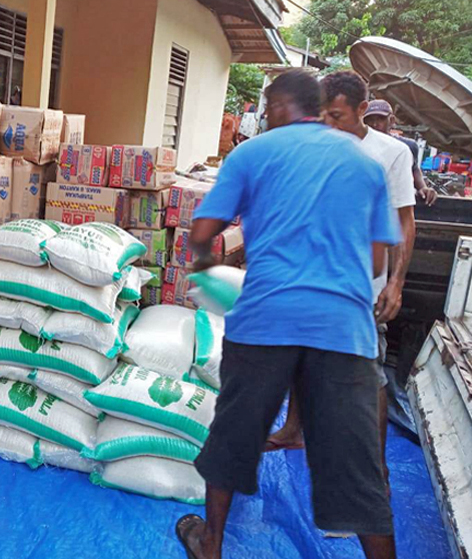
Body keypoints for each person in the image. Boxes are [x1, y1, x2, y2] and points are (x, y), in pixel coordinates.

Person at [175, 69, 400, 559]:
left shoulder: (252, 154)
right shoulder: (364, 165)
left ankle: (210, 543)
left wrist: (209, 270)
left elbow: (204, 228)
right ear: (319, 107)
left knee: (235, 435)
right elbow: (378, 260)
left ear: (278, 106)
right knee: (357, 466)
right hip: (343, 328)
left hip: (265, 321)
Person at [267, 73, 417, 492]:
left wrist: (396, 283)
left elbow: (405, 222)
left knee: (367, 378)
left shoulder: (390, 154)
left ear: (361, 110)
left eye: (336, 115)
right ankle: (293, 429)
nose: (327, 123)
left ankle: (377, 472)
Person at [364, 100, 437, 206]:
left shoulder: (406, 147)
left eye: (381, 119)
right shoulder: (358, 146)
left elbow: (414, 169)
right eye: (370, 120)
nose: (375, 124)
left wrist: (423, 188)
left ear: (392, 120)